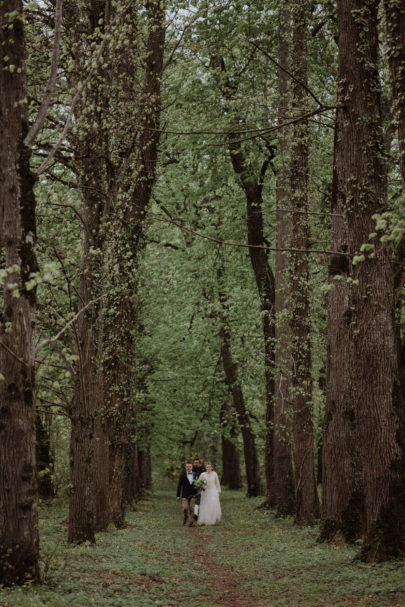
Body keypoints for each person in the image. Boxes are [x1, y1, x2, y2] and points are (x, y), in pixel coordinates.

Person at [176, 461, 198, 526]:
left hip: (193, 494)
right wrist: (178, 495)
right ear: (186, 467)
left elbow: (198, 484)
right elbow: (179, 485)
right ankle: (185, 517)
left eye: (190, 466)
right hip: (185, 495)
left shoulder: (195, 474)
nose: (188, 468)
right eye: (187, 466)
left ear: (192, 467)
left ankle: (191, 522)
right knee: (185, 508)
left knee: (192, 508)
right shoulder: (182, 475)